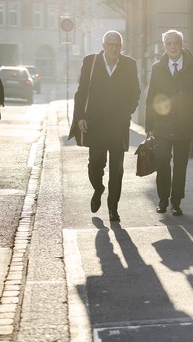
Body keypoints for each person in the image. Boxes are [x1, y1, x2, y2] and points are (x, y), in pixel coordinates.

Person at [71, 31, 141, 221]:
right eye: (110, 44)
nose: (114, 48)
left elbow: (135, 91)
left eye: (117, 45)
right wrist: (80, 117)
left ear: (121, 47)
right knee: (95, 164)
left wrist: (127, 111)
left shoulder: (129, 64)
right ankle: (98, 188)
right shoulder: (91, 62)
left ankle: (113, 208)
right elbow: (82, 91)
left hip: (119, 124)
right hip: (96, 123)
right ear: (103, 45)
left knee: (116, 168)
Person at [145, 29, 193, 216]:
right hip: (162, 126)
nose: (172, 47)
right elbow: (151, 98)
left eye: (175, 43)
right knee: (162, 160)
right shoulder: (158, 68)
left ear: (181, 45)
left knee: (181, 166)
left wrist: (192, 116)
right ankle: (163, 199)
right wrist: (149, 127)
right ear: (165, 46)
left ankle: (176, 202)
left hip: (184, 125)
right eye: (169, 44)